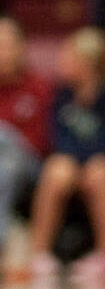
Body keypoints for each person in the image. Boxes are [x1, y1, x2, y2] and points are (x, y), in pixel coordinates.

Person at [29, 28, 105, 289]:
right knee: (57, 169)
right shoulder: (61, 96)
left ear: (87, 64)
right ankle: (39, 254)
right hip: (72, 160)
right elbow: (56, 137)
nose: (61, 63)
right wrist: (77, 162)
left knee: (99, 171)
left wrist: (86, 160)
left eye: (69, 58)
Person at [0, 17, 53, 267]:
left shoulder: (40, 87)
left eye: (7, 45)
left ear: (22, 48)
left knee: (5, 143)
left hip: (31, 164)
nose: (2, 53)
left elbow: (44, 141)